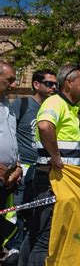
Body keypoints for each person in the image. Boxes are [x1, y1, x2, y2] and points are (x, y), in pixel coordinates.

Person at [19, 64, 80, 266]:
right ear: (69, 82)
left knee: (36, 234)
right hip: (52, 182)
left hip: (55, 181)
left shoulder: (67, 106)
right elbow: (44, 125)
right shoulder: (55, 102)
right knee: (46, 238)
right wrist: (56, 156)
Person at [5, 69, 57, 264]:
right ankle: (13, 251)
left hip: (43, 171)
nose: (53, 88)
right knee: (16, 211)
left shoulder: (53, 108)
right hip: (22, 169)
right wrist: (16, 163)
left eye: (55, 84)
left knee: (36, 216)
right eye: (49, 84)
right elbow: (10, 132)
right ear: (36, 84)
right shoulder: (23, 104)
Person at [0, 61, 22, 250]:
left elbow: (11, 139)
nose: (14, 84)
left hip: (8, 179)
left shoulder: (8, 105)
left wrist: (17, 167)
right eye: (10, 80)